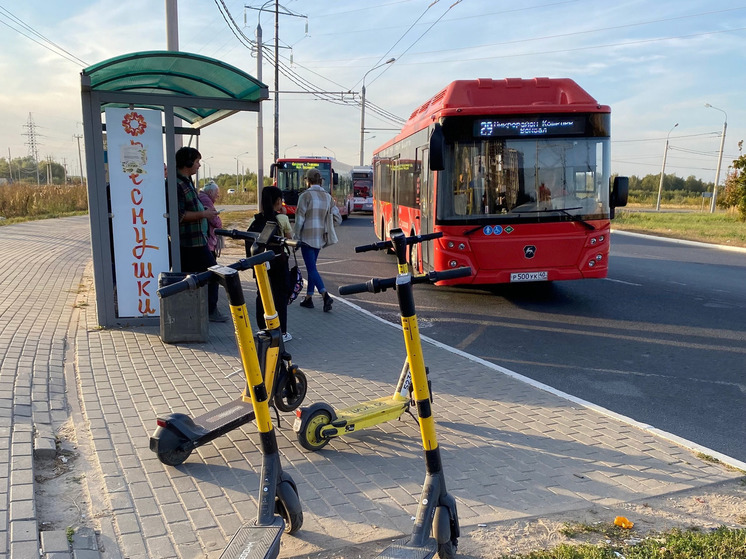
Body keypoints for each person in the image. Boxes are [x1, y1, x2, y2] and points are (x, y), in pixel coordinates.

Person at [175, 146, 227, 322]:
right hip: (190, 243)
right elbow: (179, 215)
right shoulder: (176, 184)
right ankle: (210, 311)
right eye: (197, 162)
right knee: (213, 273)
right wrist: (204, 214)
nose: (198, 165)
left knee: (198, 276)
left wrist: (202, 210)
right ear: (187, 162)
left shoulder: (186, 181)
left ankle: (198, 311)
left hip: (197, 240)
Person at [248, 186, 294, 342]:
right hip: (279, 263)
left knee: (261, 294)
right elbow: (289, 238)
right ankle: (281, 332)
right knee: (280, 296)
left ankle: (263, 329)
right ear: (278, 201)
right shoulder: (282, 219)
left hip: (259, 262)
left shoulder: (255, 219)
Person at [294, 168, 341, 312]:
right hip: (320, 237)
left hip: (307, 237)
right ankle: (308, 298)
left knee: (311, 269)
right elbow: (337, 218)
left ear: (308, 181)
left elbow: (300, 218)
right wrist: (327, 225)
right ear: (320, 180)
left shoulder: (305, 196)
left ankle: (325, 295)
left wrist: (296, 237)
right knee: (312, 268)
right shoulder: (327, 197)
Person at [198, 181, 223, 257]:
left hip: (204, 239)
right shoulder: (206, 200)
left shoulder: (201, 196)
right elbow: (215, 222)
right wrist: (219, 220)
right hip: (208, 242)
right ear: (210, 192)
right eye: (216, 193)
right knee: (211, 266)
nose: (217, 196)